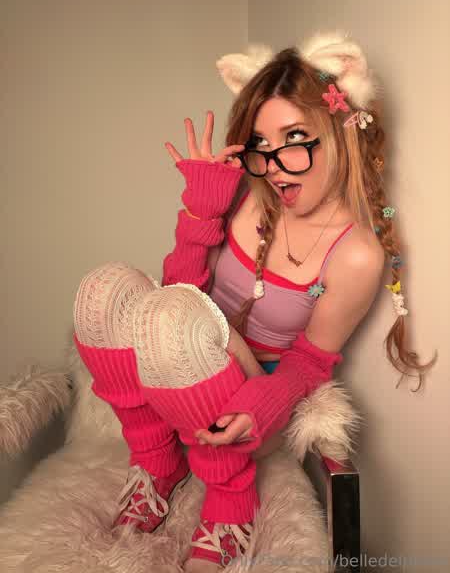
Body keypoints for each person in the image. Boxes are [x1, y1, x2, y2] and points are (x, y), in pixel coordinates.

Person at [73, 31, 436, 573]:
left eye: (295, 137)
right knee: (104, 288)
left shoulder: (356, 253)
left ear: (341, 132)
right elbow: (178, 290)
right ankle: (158, 462)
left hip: (247, 403)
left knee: (170, 316)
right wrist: (200, 211)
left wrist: (260, 407)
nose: (274, 164)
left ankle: (229, 506)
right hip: (176, 369)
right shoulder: (248, 193)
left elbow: (308, 363)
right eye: (261, 144)